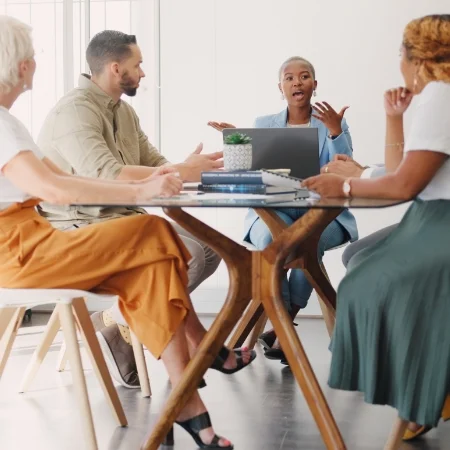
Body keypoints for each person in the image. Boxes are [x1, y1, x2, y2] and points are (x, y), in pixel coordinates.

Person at [0, 15, 255, 448]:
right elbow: (54, 189)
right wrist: (141, 186)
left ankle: (187, 405)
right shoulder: (7, 124)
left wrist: (153, 180)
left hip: (35, 241)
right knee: (154, 231)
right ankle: (209, 352)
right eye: (32, 54)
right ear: (19, 64)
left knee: (152, 268)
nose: (35, 62)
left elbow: (67, 177)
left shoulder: (12, 123)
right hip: (20, 250)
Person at [36, 30, 223, 389]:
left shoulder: (125, 113)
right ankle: (128, 330)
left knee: (211, 251)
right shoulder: (75, 111)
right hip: (81, 223)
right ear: (115, 67)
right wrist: (178, 171)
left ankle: (113, 322)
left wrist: (187, 166)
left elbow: (154, 163)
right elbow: (107, 175)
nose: (143, 73)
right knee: (191, 256)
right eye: (138, 65)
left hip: (121, 216)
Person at [302, 14, 450, 442]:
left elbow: (403, 185)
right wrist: (395, 116)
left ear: (416, 57)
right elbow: (406, 169)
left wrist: (344, 184)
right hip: (428, 217)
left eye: (401, 53)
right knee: (360, 259)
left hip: (437, 223)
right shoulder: (433, 97)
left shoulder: (440, 96)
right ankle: (425, 388)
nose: (398, 62)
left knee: (365, 280)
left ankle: (423, 386)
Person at [209, 57, 358, 363]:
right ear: (281, 88)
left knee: (306, 241)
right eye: (289, 78)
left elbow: (347, 169)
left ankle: (282, 324)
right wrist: (236, 140)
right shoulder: (265, 124)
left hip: (320, 213)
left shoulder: (334, 124)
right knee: (268, 242)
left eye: (304, 77)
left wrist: (334, 133)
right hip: (272, 211)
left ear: (314, 86)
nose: (297, 82)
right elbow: (250, 173)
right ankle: (283, 327)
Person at [321, 155, 398, 267]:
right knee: (352, 254)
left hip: (428, 222)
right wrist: (362, 171)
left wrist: (361, 173)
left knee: (356, 257)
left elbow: (411, 172)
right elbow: (405, 165)